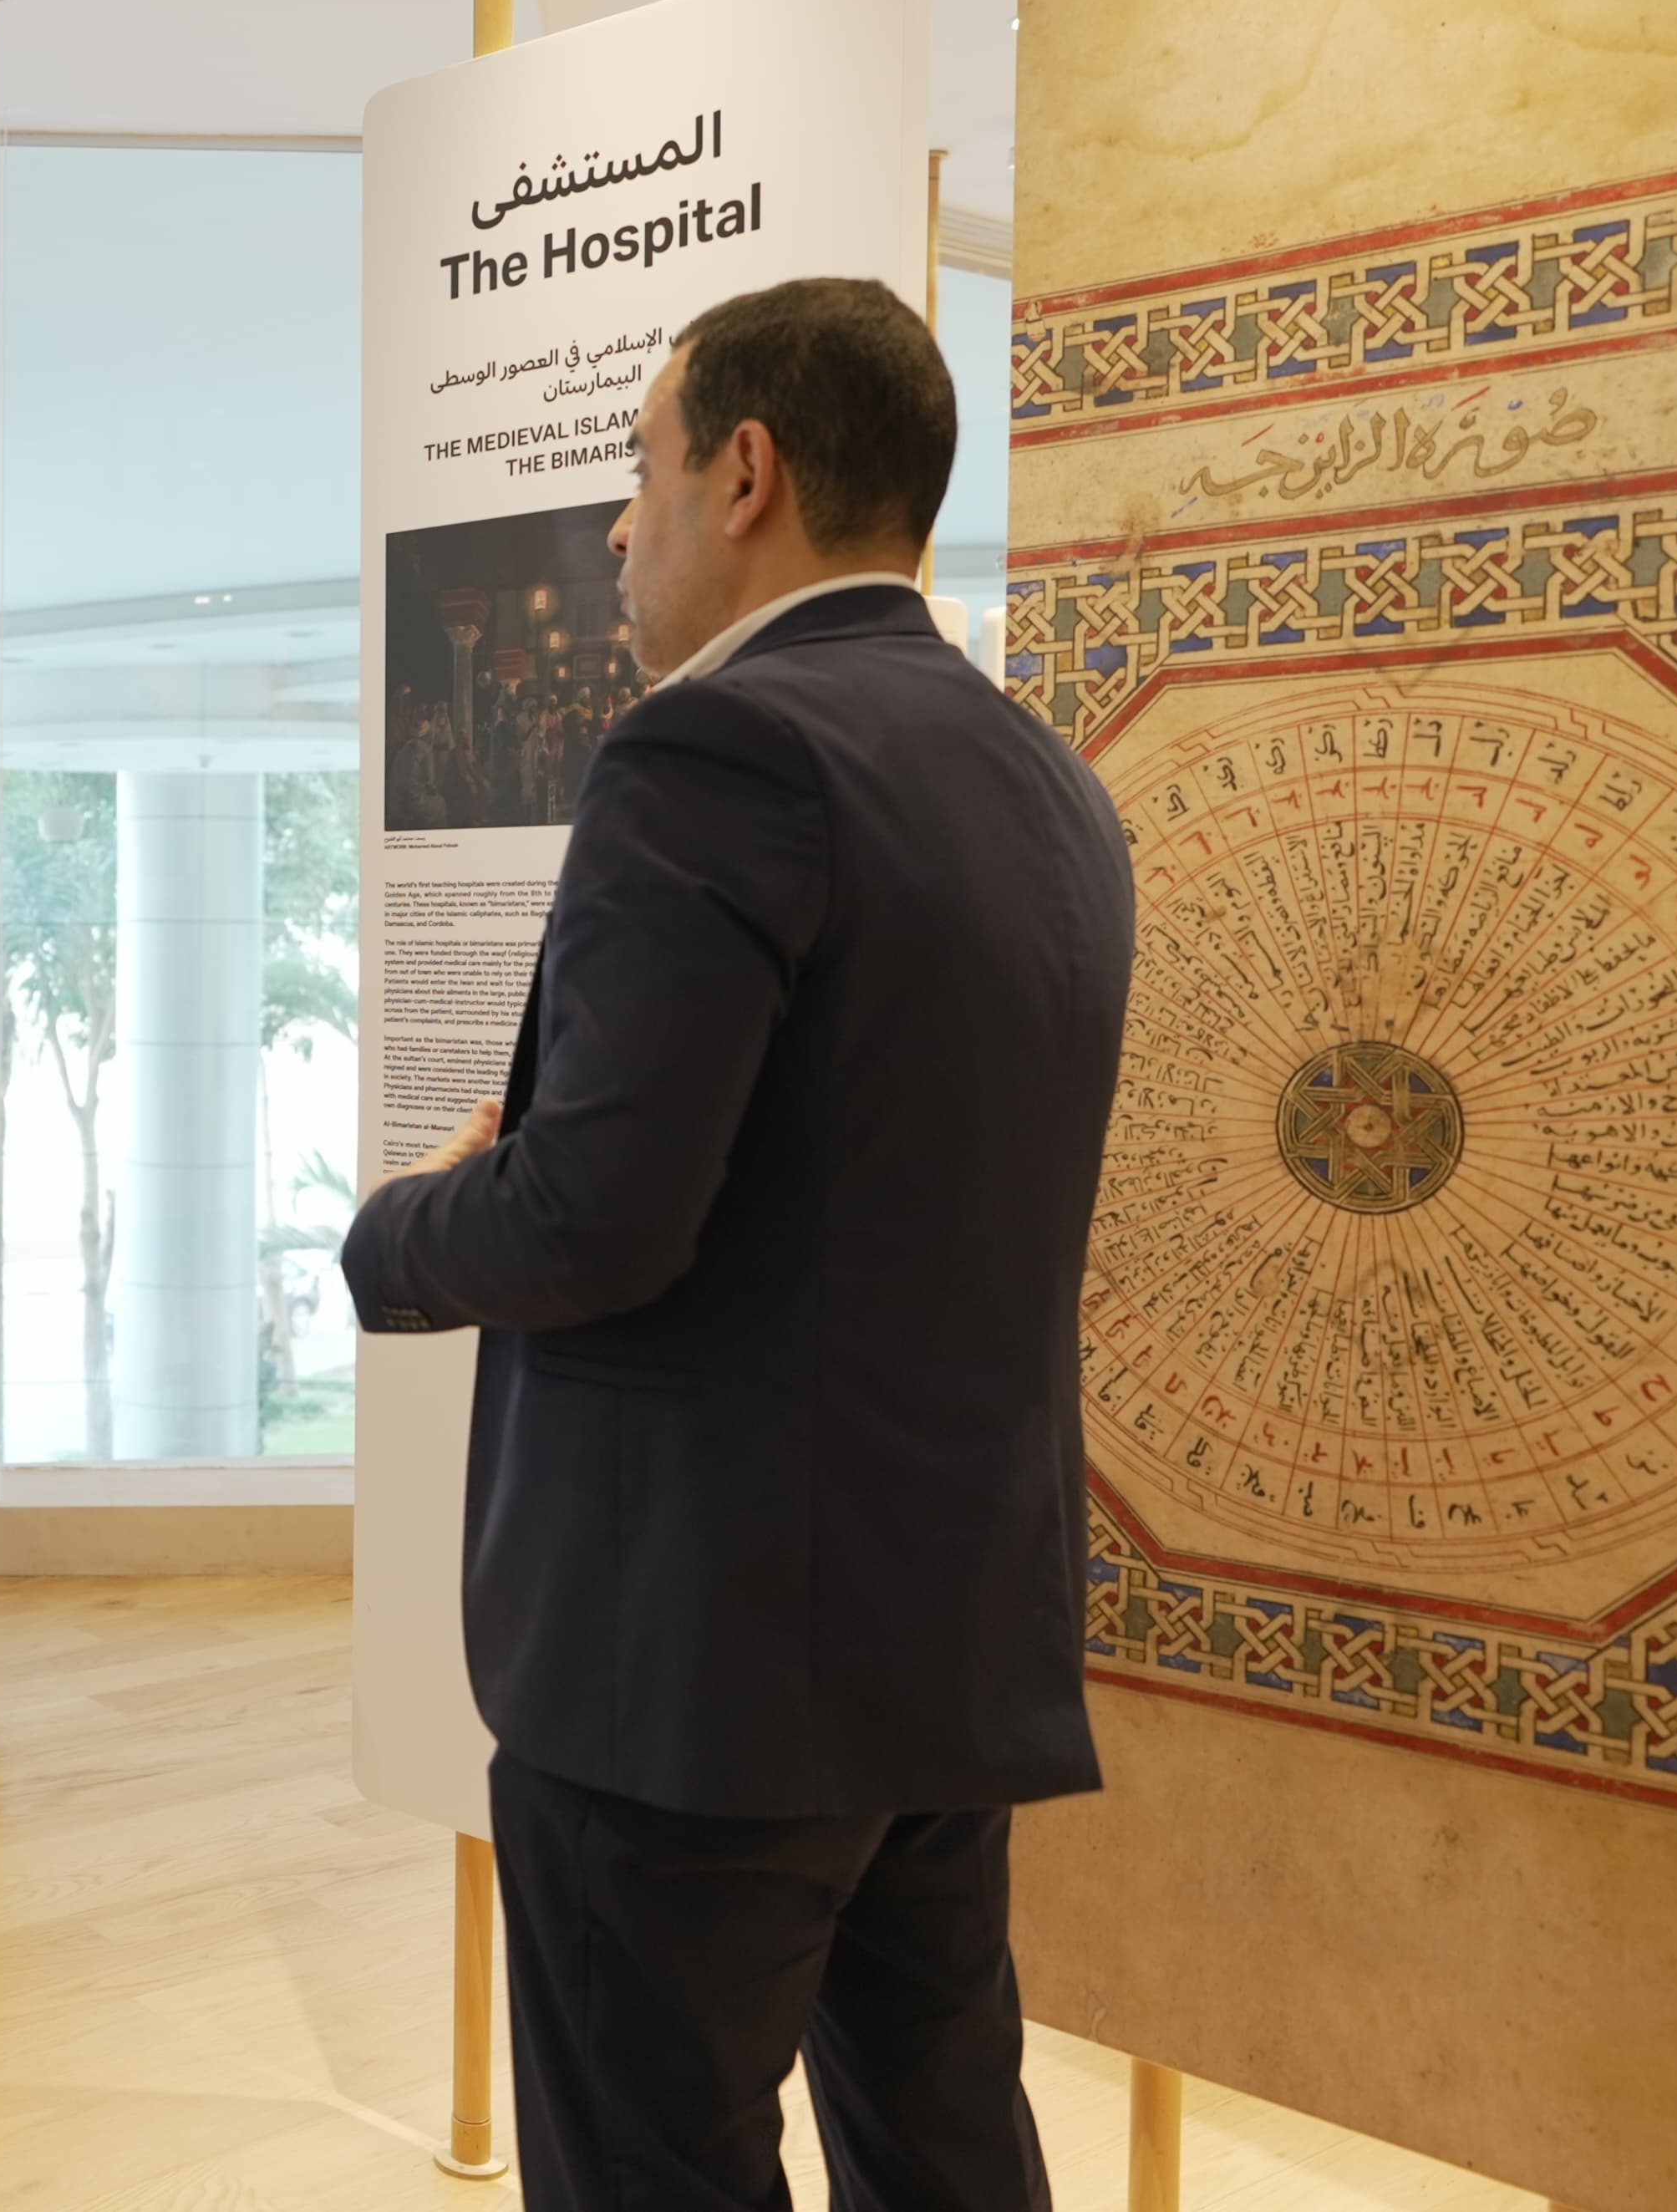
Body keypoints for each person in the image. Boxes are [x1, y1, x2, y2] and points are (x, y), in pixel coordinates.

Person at [340, 277, 1135, 2212]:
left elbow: (594, 1218)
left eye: (640, 469)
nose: (620, 531)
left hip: (695, 1671)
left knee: (652, 2169)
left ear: (745, 472)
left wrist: (397, 1231)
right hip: (943, 1634)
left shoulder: (714, 752)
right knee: (945, 2145)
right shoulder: (1047, 779)